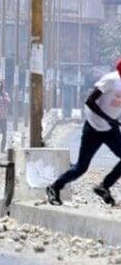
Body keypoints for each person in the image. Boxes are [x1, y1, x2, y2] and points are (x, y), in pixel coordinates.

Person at [47, 60, 121, 206]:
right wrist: (108, 119)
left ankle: (104, 186)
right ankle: (54, 187)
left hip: (110, 129)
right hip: (93, 127)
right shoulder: (111, 80)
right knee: (81, 168)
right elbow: (90, 101)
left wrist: (113, 120)